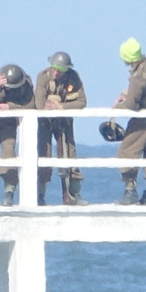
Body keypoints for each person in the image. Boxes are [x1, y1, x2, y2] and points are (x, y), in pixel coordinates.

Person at [112, 38, 146, 206]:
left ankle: (130, 191)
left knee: (127, 151)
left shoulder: (138, 75)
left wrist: (116, 109)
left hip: (145, 118)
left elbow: (131, 104)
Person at [0, 64, 36, 206]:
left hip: (8, 120)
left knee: (9, 154)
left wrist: (10, 107)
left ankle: (9, 192)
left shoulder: (25, 83)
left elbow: (31, 105)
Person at [34, 52, 87, 206]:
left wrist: (62, 107)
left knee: (70, 154)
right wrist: (49, 107)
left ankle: (73, 194)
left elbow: (82, 101)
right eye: (54, 69)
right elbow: (39, 103)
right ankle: (40, 195)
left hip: (65, 122)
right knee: (44, 155)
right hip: (45, 123)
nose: (56, 73)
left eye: (60, 70)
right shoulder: (43, 77)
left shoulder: (74, 78)